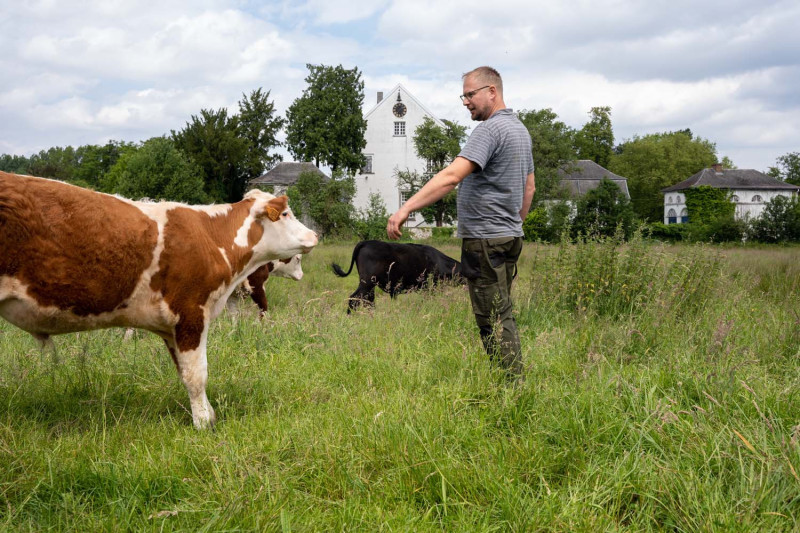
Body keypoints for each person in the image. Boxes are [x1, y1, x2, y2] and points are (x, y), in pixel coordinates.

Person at [387, 66, 536, 379]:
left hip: (486, 239)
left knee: (492, 316)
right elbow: (529, 187)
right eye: (463, 95)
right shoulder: (520, 130)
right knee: (501, 309)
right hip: (508, 237)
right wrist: (514, 225)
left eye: (470, 94)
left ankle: (510, 385)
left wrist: (406, 208)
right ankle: (508, 379)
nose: (466, 101)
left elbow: (451, 176)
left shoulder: (489, 130)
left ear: (492, 91)